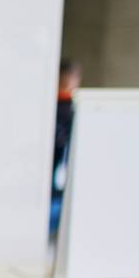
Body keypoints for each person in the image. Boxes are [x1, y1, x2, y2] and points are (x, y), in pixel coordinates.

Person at [50, 58, 80, 238]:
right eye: (65, 77)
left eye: (72, 77)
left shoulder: (77, 105)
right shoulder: (50, 102)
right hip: (53, 158)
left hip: (67, 160)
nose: (68, 81)